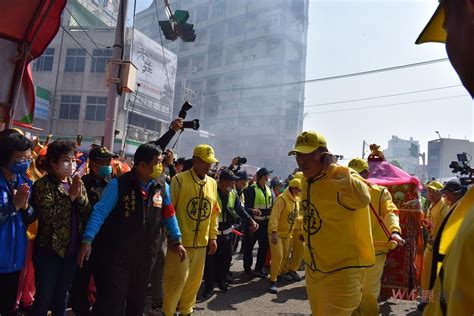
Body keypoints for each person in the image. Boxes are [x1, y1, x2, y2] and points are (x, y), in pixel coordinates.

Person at [77, 143, 184, 316]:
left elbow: (169, 214)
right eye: (156, 162)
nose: (160, 166)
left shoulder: (161, 185)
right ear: (141, 165)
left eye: (161, 161)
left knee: (138, 299)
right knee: (115, 300)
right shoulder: (119, 185)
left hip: (147, 253)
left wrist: (177, 240)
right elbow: (99, 213)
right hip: (119, 254)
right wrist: (87, 240)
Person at [288, 131, 374, 315]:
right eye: (298, 155)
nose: (302, 161)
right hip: (314, 268)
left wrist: (334, 168)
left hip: (344, 270)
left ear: (324, 155)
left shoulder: (343, 175)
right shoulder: (305, 181)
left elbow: (363, 198)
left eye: (308, 154)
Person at [31, 139, 90, 316]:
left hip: (71, 251)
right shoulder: (42, 185)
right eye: (66, 160)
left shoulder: (76, 182)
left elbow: (87, 211)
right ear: (53, 163)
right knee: (43, 297)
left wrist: (79, 198)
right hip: (49, 250)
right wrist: (70, 198)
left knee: (62, 296)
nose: (71, 164)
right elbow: (48, 216)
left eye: (73, 160)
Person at [162, 144, 221, 316]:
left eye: (211, 162)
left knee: (194, 284)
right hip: (180, 244)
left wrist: (213, 237)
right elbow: (168, 211)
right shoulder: (179, 180)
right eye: (205, 162)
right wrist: (172, 238)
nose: (209, 166)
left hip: (201, 245)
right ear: (195, 160)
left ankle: (187, 312)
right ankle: (168, 312)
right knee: (175, 283)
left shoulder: (212, 183)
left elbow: (213, 213)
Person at [348, 158, 404, 316]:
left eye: (357, 174)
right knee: (351, 291)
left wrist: (395, 231)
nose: (353, 178)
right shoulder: (341, 191)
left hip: (375, 250)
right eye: (350, 174)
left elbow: (390, 212)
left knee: (368, 292)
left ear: (366, 174)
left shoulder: (379, 192)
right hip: (350, 250)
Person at [70, 146, 118, 316]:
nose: (107, 165)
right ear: (93, 163)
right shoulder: (81, 183)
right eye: (103, 162)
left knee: (105, 286)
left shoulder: (115, 184)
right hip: (85, 242)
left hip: (107, 244)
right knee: (79, 284)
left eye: (109, 161)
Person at [202, 169, 258, 298]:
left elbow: (240, 209)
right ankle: (209, 286)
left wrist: (250, 220)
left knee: (225, 260)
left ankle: (221, 281)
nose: (233, 184)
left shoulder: (233, 194)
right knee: (210, 262)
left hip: (227, 234)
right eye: (230, 181)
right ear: (222, 182)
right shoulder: (212, 193)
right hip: (213, 234)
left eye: (234, 181)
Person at [0, 130, 34, 316]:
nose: (25, 162)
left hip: (14, 260)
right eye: (20, 158)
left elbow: (31, 216)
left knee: (8, 307)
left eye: (28, 158)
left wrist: (25, 207)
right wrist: (13, 206)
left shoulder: (25, 181)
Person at [418, 180, 449, 311]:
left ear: (439, 193)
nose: (429, 194)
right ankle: (426, 299)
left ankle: (433, 302)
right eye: (428, 191)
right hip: (430, 246)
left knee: (435, 276)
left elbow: (447, 227)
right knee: (426, 275)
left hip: (439, 247)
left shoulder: (443, 207)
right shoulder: (431, 205)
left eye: (432, 191)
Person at [267, 178, 302, 294]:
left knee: (286, 255)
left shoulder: (296, 200)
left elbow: (295, 217)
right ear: (292, 188)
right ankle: (273, 281)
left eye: (300, 189)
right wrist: (273, 232)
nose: (299, 191)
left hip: (287, 234)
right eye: (297, 189)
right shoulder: (282, 199)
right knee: (278, 256)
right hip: (276, 234)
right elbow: (274, 217)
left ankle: (279, 274)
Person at [243, 167, 274, 278]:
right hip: (253, 225)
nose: (268, 177)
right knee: (249, 247)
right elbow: (245, 208)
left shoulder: (269, 190)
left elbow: (272, 206)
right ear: (263, 176)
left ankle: (258, 269)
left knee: (264, 247)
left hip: (265, 225)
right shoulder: (252, 189)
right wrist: (251, 219)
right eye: (267, 175)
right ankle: (247, 269)